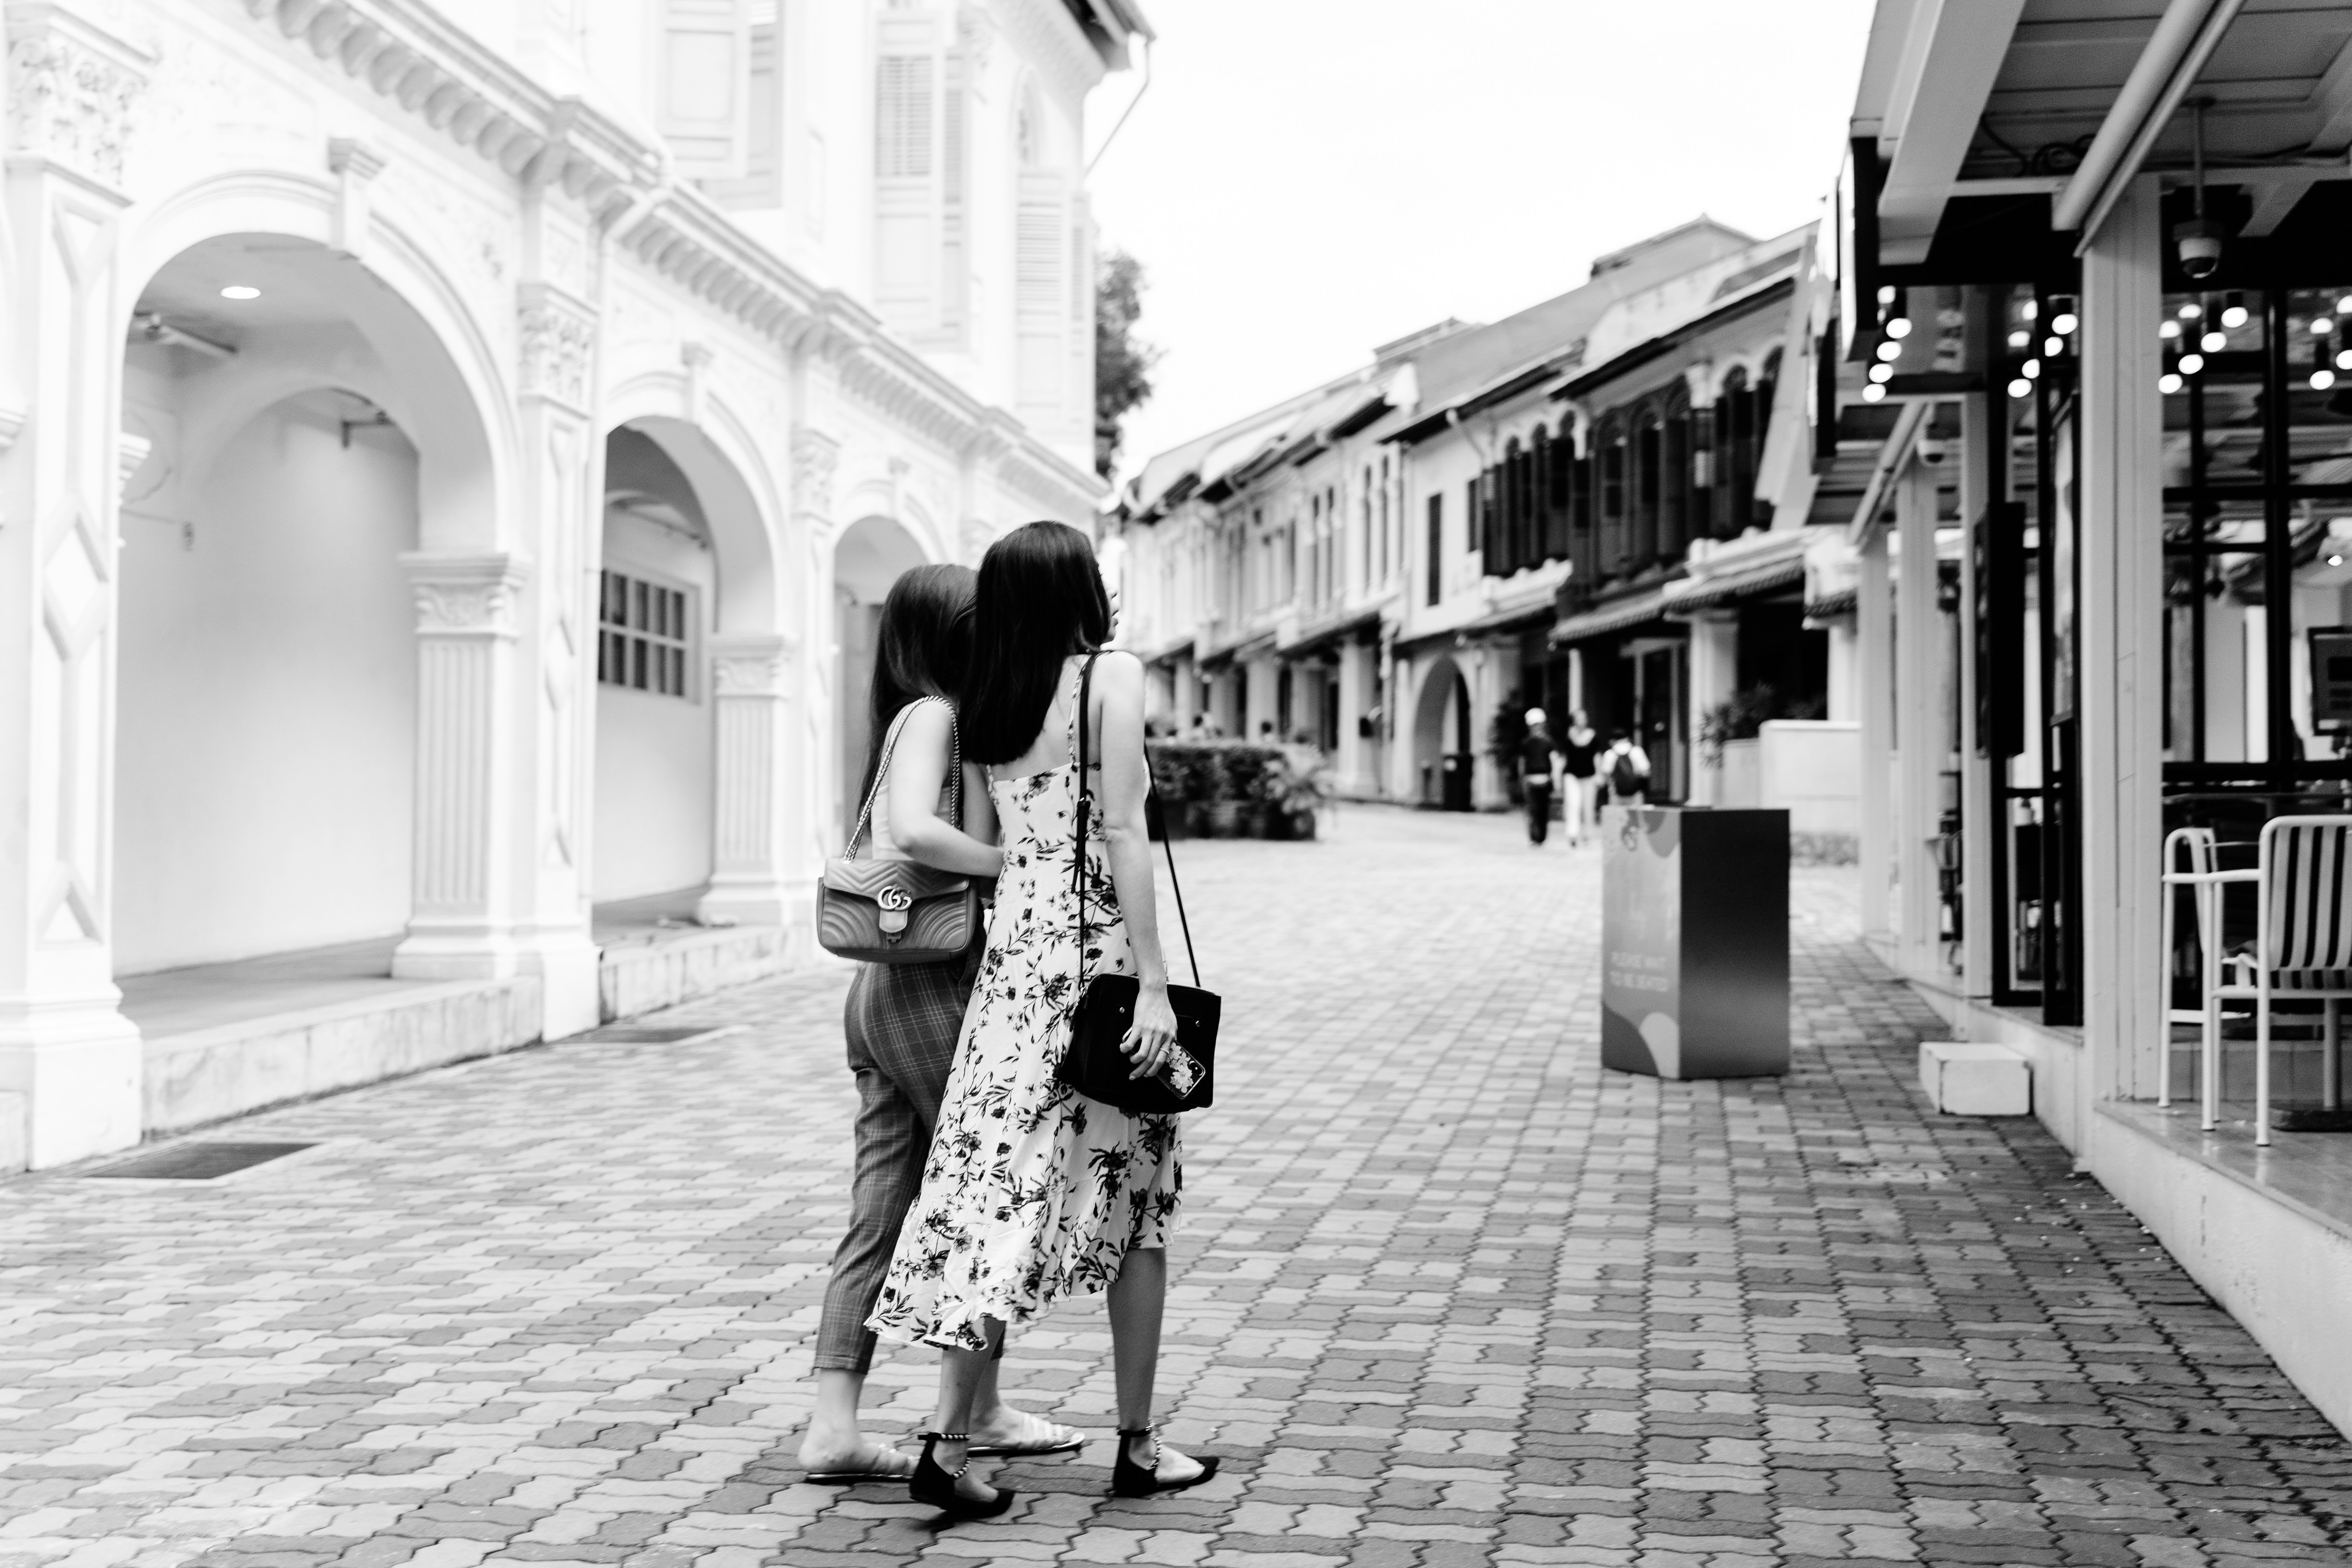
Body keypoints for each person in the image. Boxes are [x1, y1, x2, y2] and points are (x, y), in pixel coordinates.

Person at [867, 520, 1215, 1519]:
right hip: (1103, 968)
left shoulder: (987, 701)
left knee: (993, 1191)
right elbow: (1124, 826)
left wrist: (1029, 871)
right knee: (1137, 1201)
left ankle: (944, 1436)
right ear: (1080, 588)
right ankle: (1140, 1445)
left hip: (1012, 976)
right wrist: (1154, 983)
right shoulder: (1111, 675)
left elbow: (981, 845)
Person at [800, 564, 1082, 1484]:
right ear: (952, 632)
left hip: (885, 993)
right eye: (982, 623)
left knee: (881, 1212)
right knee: (993, 1190)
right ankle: (980, 1410)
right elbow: (913, 833)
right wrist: (1017, 864)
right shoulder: (933, 715)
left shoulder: (922, 716)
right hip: (931, 987)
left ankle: (835, 1429)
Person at [1518, 707, 1563, 846]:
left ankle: (1542, 837)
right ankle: (1534, 836)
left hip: (1545, 779)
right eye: (1534, 725)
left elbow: (1554, 761)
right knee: (1533, 810)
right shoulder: (1526, 743)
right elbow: (1522, 762)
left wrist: (1556, 782)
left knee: (1543, 810)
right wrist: (1522, 779)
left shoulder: (1549, 742)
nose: (1536, 728)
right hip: (1530, 779)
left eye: (1539, 725)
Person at [1561, 710, 1599, 846]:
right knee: (1573, 804)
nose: (1582, 721)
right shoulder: (1569, 736)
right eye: (1579, 719)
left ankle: (1588, 834)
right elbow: (1564, 758)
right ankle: (1573, 834)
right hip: (1572, 775)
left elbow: (1596, 756)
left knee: (1588, 806)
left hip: (1589, 775)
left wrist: (1599, 774)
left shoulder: (1593, 736)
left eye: (1584, 718)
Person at [1600, 729, 1653, 806]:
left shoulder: (1609, 754)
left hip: (1616, 795)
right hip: (1635, 794)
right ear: (1628, 739)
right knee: (1635, 818)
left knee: (1617, 818)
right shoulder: (1637, 751)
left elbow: (1606, 776)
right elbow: (1646, 773)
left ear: (1612, 741)